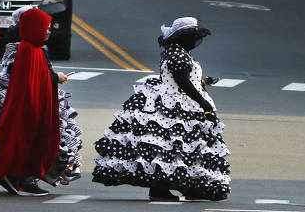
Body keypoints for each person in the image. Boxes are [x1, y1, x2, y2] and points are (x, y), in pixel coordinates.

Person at [92, 17, 230, 202]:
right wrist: (203, 104)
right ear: (183, 38)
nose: (197, 41)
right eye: (193, 37)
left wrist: (203, 84)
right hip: (174, 105)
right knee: (170, 147)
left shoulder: (177, 52)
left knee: (187, 147)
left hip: (180, 102)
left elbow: (185, 81)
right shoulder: (177, 54)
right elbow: (182, 82)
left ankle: (188, 186)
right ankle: (160, 189)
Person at [0, 8, 75, 196]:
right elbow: (31, 81)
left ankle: (25, 178)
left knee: (35, 142)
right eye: (45, 28)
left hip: (36, 106)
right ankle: (21, 178)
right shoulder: (26, 50)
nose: (47, 32)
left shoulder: (34, 50)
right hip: (28, 109)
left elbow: (39, 78)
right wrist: (54, 78)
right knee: (24, 142)